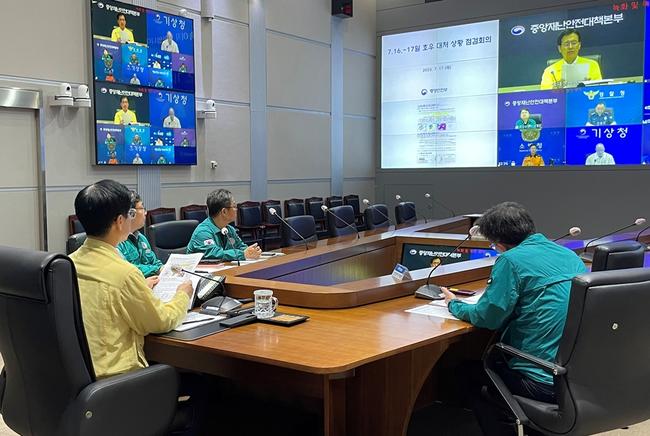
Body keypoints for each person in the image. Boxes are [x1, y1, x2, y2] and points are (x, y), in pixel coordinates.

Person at [441, 202, 587, 436]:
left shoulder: (510, 260)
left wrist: (453, 304)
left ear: (499, 243)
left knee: (466, 373)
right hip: (576, 374)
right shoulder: (568, 255)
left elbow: (487, 317)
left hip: (541, 378)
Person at [69, 180, 192, 378]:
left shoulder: (68, 264)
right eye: (130, 214)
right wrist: (182, 295)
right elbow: (161, 321)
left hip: (81, 375)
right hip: (119, 379)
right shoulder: (125, 273)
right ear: (120, 221)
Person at [187, 189, 262, 261]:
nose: (236, 209)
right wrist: (242, 254)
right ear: (224, 212)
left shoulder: (229, 229)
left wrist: (252, 251)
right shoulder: (203, 232)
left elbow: (240, 247)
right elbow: (213, 254)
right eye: (234, 206)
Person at [117, 191, 163, 277]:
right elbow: (127, 270)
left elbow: (154, 262)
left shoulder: (141, 237)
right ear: (131, 213)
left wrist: (163, 268)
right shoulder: (117, 241)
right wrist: (156, 270)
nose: (145, 213)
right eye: (142, 208)